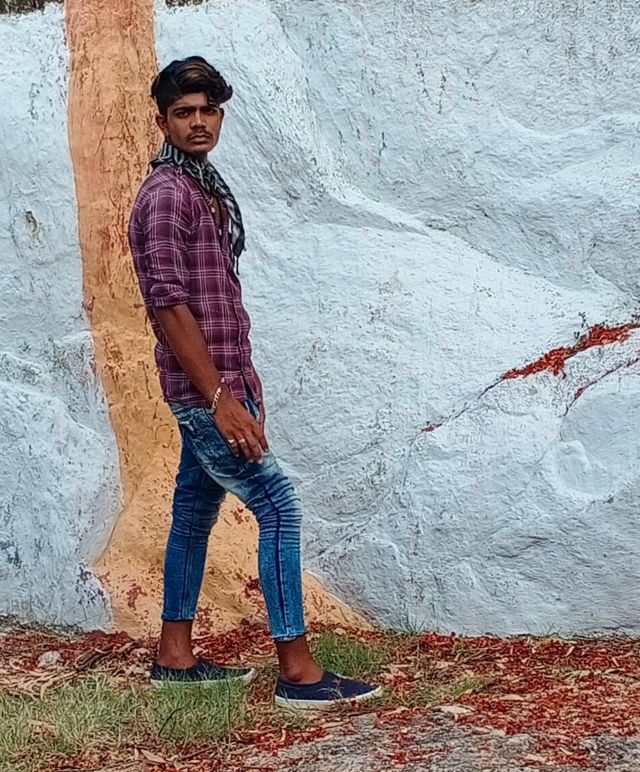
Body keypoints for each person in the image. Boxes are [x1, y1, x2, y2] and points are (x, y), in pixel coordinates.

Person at [127, 56, 382, 709]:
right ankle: (298, 673)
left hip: (224, 383)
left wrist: (245, 384)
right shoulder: (166, 195)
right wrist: (221, 400)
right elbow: (168, 306)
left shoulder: (203, 186)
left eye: (208, 110)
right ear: (162, 122)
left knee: (192, 513)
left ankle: (174, 657)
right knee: (278, 506)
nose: (198, 122)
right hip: (204, 393)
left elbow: (218, 300)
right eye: (183, 112)